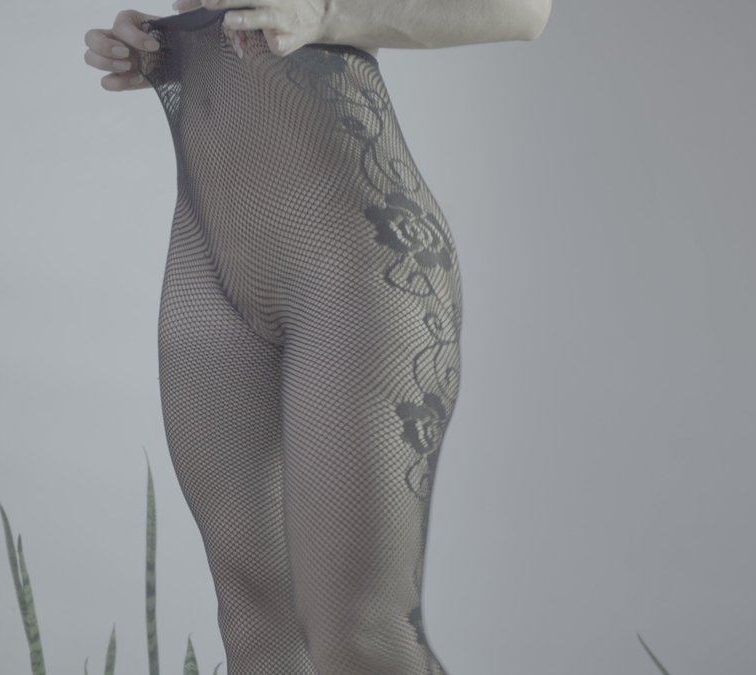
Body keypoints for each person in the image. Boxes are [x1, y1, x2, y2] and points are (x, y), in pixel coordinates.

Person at [82, 2, 548, 673]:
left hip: (352, 260)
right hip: (210, 262)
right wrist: (157, 47)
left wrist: (325, 11)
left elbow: (525, 10)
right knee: (254, 621)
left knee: (360, 633)